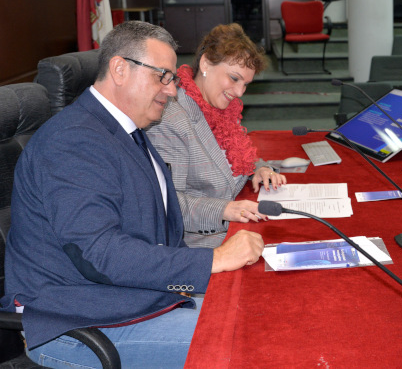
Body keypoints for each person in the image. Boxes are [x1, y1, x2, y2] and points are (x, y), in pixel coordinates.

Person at [0, 21, 265, 368]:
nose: (172, 91)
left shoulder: (126, 131)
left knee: (257, 310)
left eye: (172, 79)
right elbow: (99, 254)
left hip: (128, 299)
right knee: (248, 343)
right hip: (77, 324)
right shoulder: (73, 141)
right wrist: (212, 261)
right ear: (120, 69)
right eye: (163, 76)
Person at [147, 23, 286, 248]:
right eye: (234, 78)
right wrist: (225, 210)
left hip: (236, 226)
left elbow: (230, 159)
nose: (240, 92)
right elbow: (167, 205)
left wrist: (259, 168)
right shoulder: (171, 120)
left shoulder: (221, 111)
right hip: (203, 242)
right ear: (206, 64)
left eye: (246, 84)